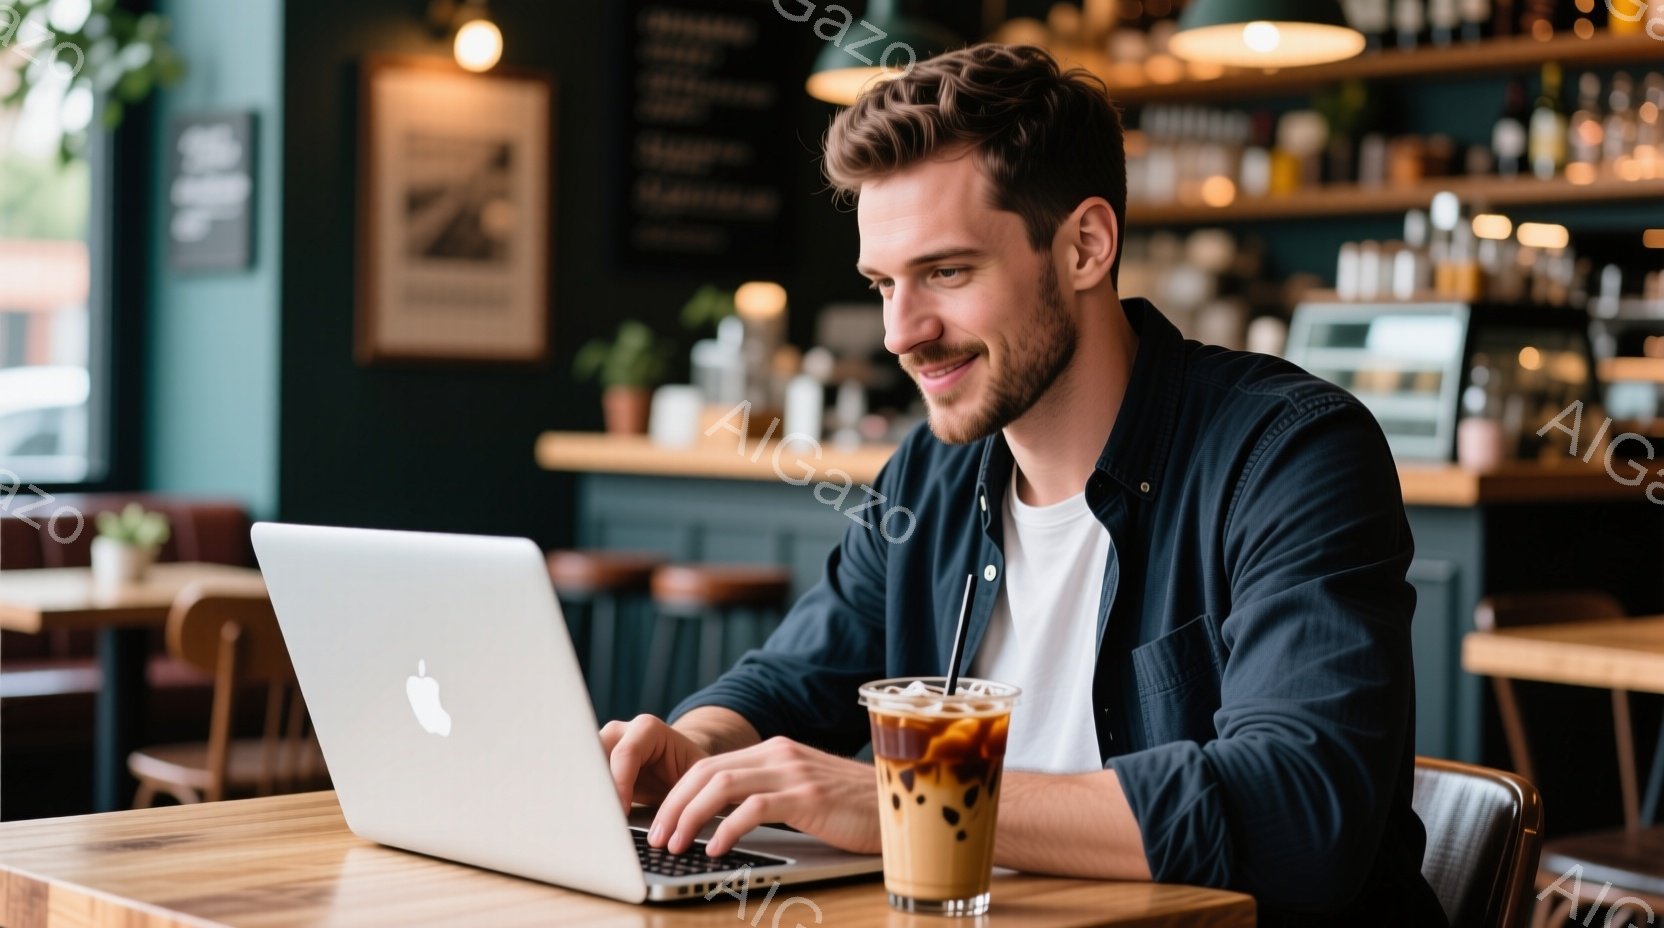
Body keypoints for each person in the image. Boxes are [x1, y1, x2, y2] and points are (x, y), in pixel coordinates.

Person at [603, 43, 1447, 927]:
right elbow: (785, 684)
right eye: (884, 283)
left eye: (947, 272)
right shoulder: (930, 475)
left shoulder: (1288, 455)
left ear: (1086, 245)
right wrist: (691, 749)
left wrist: (912, 799)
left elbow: (1297, 814)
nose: (902, 332)